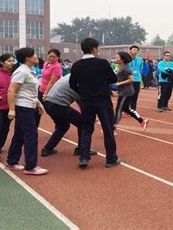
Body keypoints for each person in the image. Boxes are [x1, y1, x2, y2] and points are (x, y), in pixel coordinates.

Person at [69, 38, 119, 168]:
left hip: (86, 101)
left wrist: (83, 91)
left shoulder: (76, 65)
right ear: (94, 49)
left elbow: (72, 84)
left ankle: (84, 157)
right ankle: (111, 159)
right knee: (108, 128)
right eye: (98, 48)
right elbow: (113, 78)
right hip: (102, 100)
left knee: (86, 128)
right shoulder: (102, 63)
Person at [6, 47, 48, 175]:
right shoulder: (21, 72)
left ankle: (12, 161)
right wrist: (12, 110)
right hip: (23, 108)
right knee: (31, 135)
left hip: (29, 105)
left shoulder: (28, 71)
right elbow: (11, 91)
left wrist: (38, 102)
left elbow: (29, 92)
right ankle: (31, 166)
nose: (36, 56)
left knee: (19, 134)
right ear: (27, 58)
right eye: (34, 54)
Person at [40, 73, 98, 157]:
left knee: (63, 126)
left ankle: (47, 149)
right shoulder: (81, 80)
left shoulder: (71, 75)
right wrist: (88, 116)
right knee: (82, 123)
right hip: (58, 105)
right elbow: (82, 101)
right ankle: (82, 149)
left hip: (49, 103)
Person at [113, 52, 148, 130]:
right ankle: (142, 121)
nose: (115, 58)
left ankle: (112, 127)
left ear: (122, 59)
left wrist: (119, 84)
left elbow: (131, 79)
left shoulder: (125, 68)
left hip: (126, 92)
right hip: (124, 91)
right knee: (126, 109)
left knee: (118, 109)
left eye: (117, 57)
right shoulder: (120, 66)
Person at [36, 49, 62, 127]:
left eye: (53, 57)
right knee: (36, 110)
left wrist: (45, 94)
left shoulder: (57, 67)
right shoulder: (46, 64)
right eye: (50, 56)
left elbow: (52, 82)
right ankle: (34, 129)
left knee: (52, 111)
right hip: (41, 90)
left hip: (49, 93)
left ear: (58, 58)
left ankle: (61, 125)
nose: (51, 58)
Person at [128, 45, 143, 112]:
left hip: (137, 79)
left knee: (135, 95)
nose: (135, 51)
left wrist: (139, 76)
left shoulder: (140, 59)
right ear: (130, 50)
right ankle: (126, 110)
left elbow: (141, 68)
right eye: (134, 49)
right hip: (128, 79)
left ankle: (133, 109)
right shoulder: (126, 58)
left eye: (137, 50)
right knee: (128, 95)